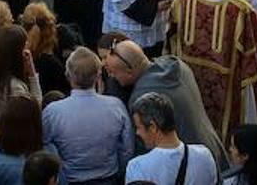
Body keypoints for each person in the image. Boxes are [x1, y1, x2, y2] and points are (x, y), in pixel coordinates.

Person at [168, 0, 257, 144]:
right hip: (226, 87)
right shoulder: (239, 8)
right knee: (222, 136)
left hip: (188, 80)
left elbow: (170, 35)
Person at [103, 40, 227, 168]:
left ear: (129, 71)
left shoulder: (143, 99)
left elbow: (146, 150)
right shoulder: (178, 64)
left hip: (190, 166)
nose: (112, 77)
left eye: (113, 72)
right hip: (211, 152)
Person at [42, 48, 133, 185]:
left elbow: (44, 147)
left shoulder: (53, 112)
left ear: (68, 76)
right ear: (98, 75)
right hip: (109, 177)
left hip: (70, 178)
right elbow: (127, 148)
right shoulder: (116, 106)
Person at [126, 92, 219, 185]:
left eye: (138, 127)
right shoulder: (205, 156)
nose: (137, 133)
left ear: (153, 127)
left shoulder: (137, 167)